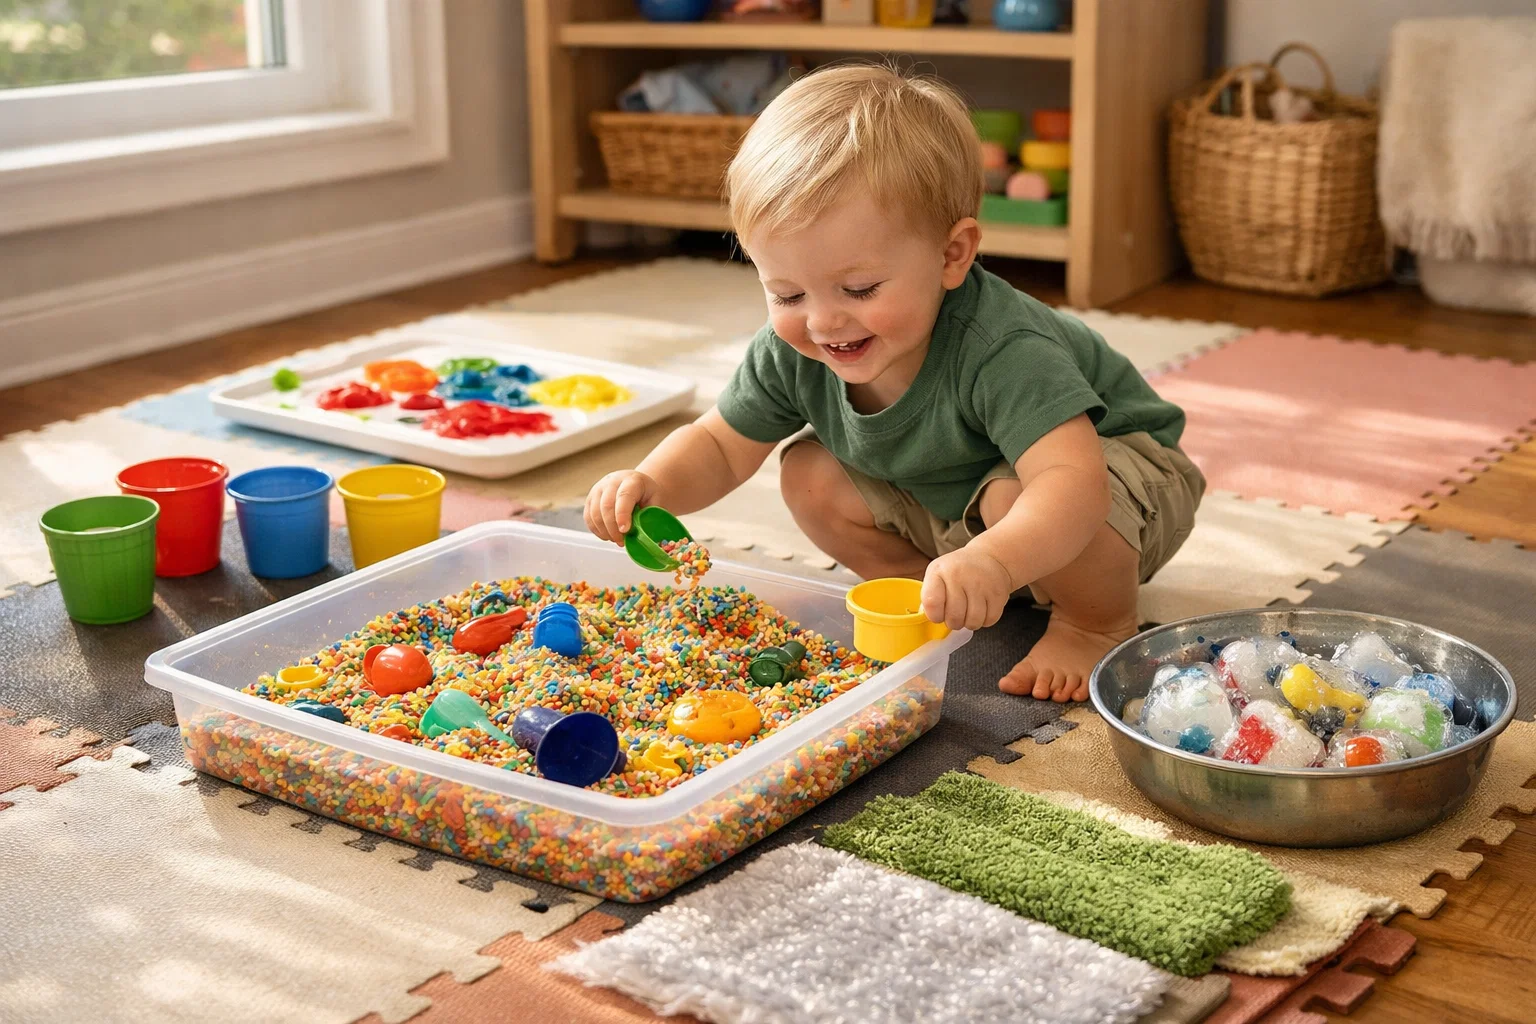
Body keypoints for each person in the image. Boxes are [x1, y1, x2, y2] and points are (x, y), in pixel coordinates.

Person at [584, 64, 1203, 702]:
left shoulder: (1004, 347)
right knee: (808, 473)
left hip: (1118, 491)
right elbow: (719, 445)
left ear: (951, 255)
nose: (823, 322)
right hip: (958, 506)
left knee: (1012, 495)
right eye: (787, 293)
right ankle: (933, 591)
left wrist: (997, 558)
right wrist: (652, 483)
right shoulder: (794, 349)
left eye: (859, 289)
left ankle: (1092, 622)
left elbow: (1072, 485)